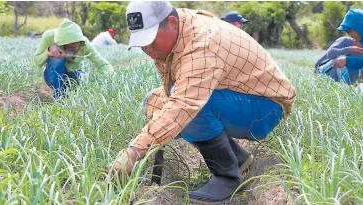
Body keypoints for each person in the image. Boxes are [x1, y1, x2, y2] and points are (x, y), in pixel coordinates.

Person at [114, 1, 296, 203]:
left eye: (151, 41)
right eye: (142, 44)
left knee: (189, 106)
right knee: (155, 101)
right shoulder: (177, 34)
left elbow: (185, 103)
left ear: (172, 23)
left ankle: (227, 176)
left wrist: (132, 153)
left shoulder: (202, 42)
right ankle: (239, 160)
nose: (148, 50)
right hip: (238, 99)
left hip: (265, 109)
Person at [34, 19, 113, 99]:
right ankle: (59, 96)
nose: (76, 48)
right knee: (56, 58)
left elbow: (102, 63)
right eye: (72, 47)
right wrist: (48, 51)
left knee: (82, 78)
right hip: (52, 76)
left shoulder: (85, 43)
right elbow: (37, 61)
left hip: (73, 75)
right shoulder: (49, 37)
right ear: (63, 43)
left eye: (78, 45)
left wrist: (111, 79)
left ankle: (72, 96)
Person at [315, 9, 363, 85]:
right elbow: (330, 53)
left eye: (350, 30)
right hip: (325, 71)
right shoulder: (345, 40)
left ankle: (351, 87)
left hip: (342, 76)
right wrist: (350, 50)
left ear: (359, 27)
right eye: (347, 32)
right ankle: (348, 89)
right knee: (341, 59)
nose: (349, 34)